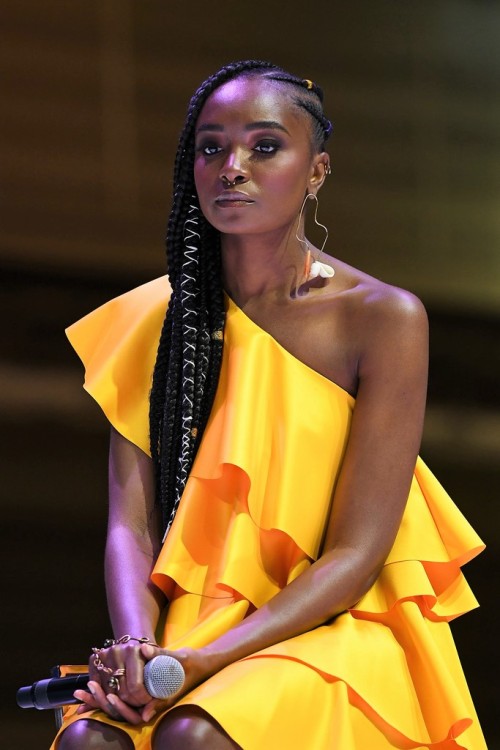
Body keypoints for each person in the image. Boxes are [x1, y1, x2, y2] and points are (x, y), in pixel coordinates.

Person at [52, 60, 486, 749]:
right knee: (92, 740)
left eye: (264, 146)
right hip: (189, 634)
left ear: (316, 170)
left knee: (196, 734)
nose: (232, 166)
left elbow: (358, 554)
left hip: (334, 630)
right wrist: (137, 647)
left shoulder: (382, 318)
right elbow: (128, 530)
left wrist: (201, 664)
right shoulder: (153, 322)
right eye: (211, 147)